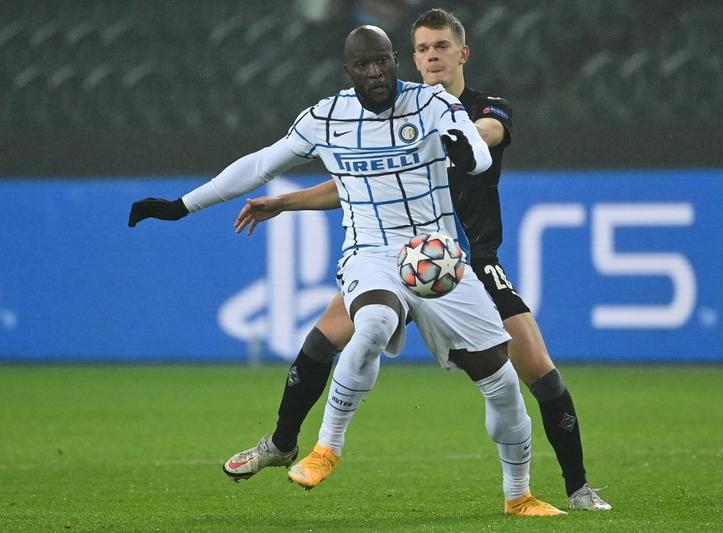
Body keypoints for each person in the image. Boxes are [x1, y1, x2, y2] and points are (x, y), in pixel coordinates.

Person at [129, 24, 563, 517]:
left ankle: (518, 495)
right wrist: (181, 205)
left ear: (395, 59)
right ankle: (326, 447)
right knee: (373, 322)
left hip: (437, 254)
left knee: (503, 384)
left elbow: (476, 150)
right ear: (348, 71)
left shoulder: (432, 104)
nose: (375, 72)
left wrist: (469, 152)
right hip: (370, 252)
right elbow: (258, 165)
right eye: (364, 65)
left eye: (383, 61)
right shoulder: (326, 117)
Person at [223, 9, 611, 512]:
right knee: (323, 341)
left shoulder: (482, 109)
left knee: (537, 371)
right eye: (422, 49)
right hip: (399, 257)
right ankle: (281, 444)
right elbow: (352, 184)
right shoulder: (400, 110)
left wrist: (465, 135)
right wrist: (284, 201)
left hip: (466, 261)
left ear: (461, 53)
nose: (431, 56)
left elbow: (491, 133)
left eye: (441, 47)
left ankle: (577, 487)